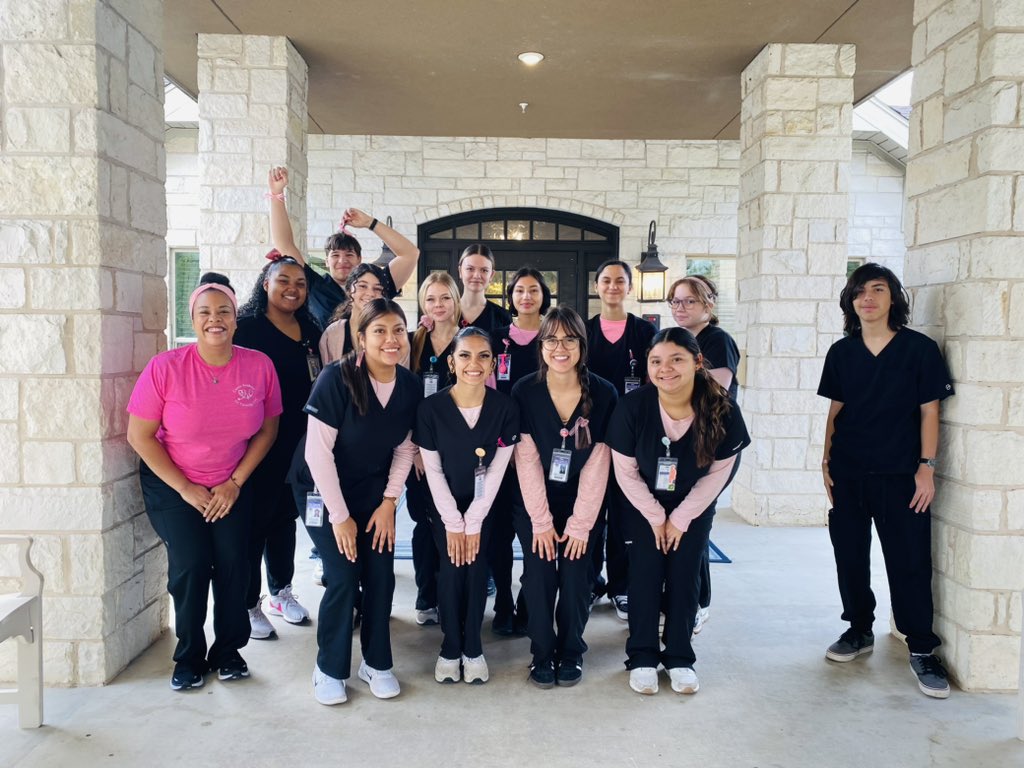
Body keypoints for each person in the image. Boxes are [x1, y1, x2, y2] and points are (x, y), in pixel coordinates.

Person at [127, 273, 282, 691]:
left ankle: (229, 652)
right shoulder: (166, 368)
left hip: (232, 480)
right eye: (205, 312)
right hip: (174, 484)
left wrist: (234, 483)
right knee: (193, 564)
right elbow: (138, 436)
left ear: (236, 319)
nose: (216, 319)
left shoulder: (258, 365)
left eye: (224, 312)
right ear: (193, 319)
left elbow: (268, 429)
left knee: (235, 563)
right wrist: (184, 488)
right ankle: (190, 656)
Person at [818, 263, 954, 699]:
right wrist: (825, 460)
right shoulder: (842, 353)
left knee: (908, 560)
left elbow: (930, 411)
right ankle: (858, 629)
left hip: (902, 475)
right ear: (850, 302)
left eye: (878, 289)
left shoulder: (919, 349)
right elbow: (836, 410)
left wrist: (926, 466)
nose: (868, 298)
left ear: (893, 297)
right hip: (849, 470)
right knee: (850, 556)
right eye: (859, 292)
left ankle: (921, 648)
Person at [606, 326, 749, 695]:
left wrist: (682, 517)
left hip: (695, 502)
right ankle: (641, 656)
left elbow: (721, 470)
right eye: (656, 361)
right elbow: (624, 470)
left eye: (676, 360)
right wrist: (656, 517)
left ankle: (680, 658)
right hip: (641, 503)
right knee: (645, 575)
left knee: (686, 575)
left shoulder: (721, 407)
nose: (664, 369)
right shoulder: (633, 406)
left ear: (697, 362)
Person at [299, 299, 420, 705]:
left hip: (373, 492)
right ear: (362, 337)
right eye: (380, 331)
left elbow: (405, 449)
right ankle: (329, 668)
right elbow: (318, 455)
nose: (391, 339)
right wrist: (340, 517)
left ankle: (376, 663)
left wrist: (389, 502)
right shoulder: (336, 379)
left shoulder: (409, 385)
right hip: (322, 490)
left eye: (398, 330)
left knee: (381, 575)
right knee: (345, 575)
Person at [512, 307, 617, 687]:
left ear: (582, 346)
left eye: (570, 339)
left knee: (576, 577)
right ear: (540, 347)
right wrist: (541, 522)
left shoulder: (604, 393)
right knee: (539, 577)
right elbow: (525, 460)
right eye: (551, 339)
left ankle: (571, 651)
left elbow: (598, 462)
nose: (560, 347)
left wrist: (580, 525)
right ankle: (542, 653)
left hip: (584, 505)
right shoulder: (524, 391)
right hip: (534, 502)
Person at [415, 327, 520, 684]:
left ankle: (473, 646)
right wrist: (453, 523)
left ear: (493, 363)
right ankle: (449, 646)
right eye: (464, 355)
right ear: (451, 362)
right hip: (442, 504)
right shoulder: (430, 408)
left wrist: (473, 520)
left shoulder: (506, 408)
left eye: (483, 356)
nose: (473, 363)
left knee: (475, 567)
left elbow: (497, 468)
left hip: (485, 504)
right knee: (450, 566)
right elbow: (432, 468)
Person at [234, 252, 322, 639]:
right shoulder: (246, 328)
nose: (293, 289)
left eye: (300, 283)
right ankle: (248, 603)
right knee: (256, 522)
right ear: (265, 283)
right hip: (256, 440)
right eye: (283, 280)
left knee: (286, 518)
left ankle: (280, 590)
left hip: (300, 441)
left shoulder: (310, 329)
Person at [667, 275, 741, 634]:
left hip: (713, 451)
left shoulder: (718, 340)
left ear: (709, 304)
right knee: (683, 527)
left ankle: (699, 603)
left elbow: (713, 393)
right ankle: (681, 597)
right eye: (676, 301)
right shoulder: (678, 340)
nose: (681, 308)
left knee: (696, 526)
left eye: (689, 301)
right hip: (682, 450)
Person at [586, 260, 657, 621]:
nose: (613, 286)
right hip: (591, 435)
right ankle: (591, 582)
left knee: (626, 513)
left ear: (629, 287)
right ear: (597, 286)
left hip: (633, 436)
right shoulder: (583, 331)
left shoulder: (646, 333)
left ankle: (621, 586)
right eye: (606, 280)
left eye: (620, 281)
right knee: (592, 510)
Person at [267, 166, 419, 327]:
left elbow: (410, 254)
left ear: (359, 260)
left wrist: (370, 223)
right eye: (335, 255)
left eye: (349, 255)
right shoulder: (314, 285)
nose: (342, 260)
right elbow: (284, 244)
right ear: (326, 261)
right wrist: (276, 194)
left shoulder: (376, 285)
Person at [489, 268, 551, 635]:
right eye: (519, 291)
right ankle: (502, 603)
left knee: (533, 530)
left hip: (543, 446)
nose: (526, 296)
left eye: (533, 290)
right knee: (498, 534)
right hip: (500, 446)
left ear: (544, 295)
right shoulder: (497, 340)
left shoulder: (555, 338)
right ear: (510, 297)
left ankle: (529, 599)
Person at [405, 272, 463, 626]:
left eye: (444, 298)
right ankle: (427, 596)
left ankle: (451, 596)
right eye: (431, 299)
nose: (438, 305)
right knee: (424, 524)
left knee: (453, 522)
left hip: (458, 448)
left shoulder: (468, 340)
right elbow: (402, 400)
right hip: (420, 451)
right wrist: (413, 450)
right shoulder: (413, 341)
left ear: (455, 301)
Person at [319, 263, 391, 363]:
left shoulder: (392, 331)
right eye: (362, 286)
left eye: (377, 289)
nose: (370, 293)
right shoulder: (333, 333)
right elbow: (325, 375)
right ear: (349, 290)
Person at [458, 244, 512, 333]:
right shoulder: (446, 312)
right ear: (460, 271)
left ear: (491, 275)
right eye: (470, 269)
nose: (477, 275)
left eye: (484, 270)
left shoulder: (502, 317)